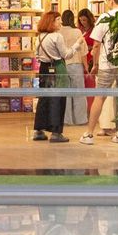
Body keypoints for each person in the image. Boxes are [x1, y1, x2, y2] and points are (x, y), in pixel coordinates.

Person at [80, 0, 118, 146]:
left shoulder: (105, 18)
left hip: (107, 64)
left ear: (111, 0)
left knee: (100, 97)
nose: (105, 4)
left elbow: (96, 45)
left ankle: (89, 134)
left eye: (105, 1)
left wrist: (95, 65)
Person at [31, 10, 71, 143]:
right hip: (57, 67)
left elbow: (36, 55)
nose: (61, 22)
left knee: (44, 98)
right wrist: (77, 46)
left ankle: (39, 130)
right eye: (59, 19)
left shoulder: (39, 37)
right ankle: (56, 132)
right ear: (52, 22)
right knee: (58, 99)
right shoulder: (57, 36)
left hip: (43, 68)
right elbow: (66, 54)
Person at [59, 9, 89, 130]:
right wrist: (86, 67)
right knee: (79, 93)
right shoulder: (77, 32)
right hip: (76, 64)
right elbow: (83, 51)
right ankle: (80, 119)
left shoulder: (58, 32)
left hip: (63, 65)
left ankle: (67, 119)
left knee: (65, 94)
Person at [76, 7, 98, 116]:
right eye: (80, 20)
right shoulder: (78, 30)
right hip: (80, 59)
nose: (82, 22)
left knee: (90, 85)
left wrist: (89, 47)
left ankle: (91, 110)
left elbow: (96, 44)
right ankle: (82, 111)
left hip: (90, 59)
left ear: (89, 19)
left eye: (84, 20)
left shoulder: (94, 29)